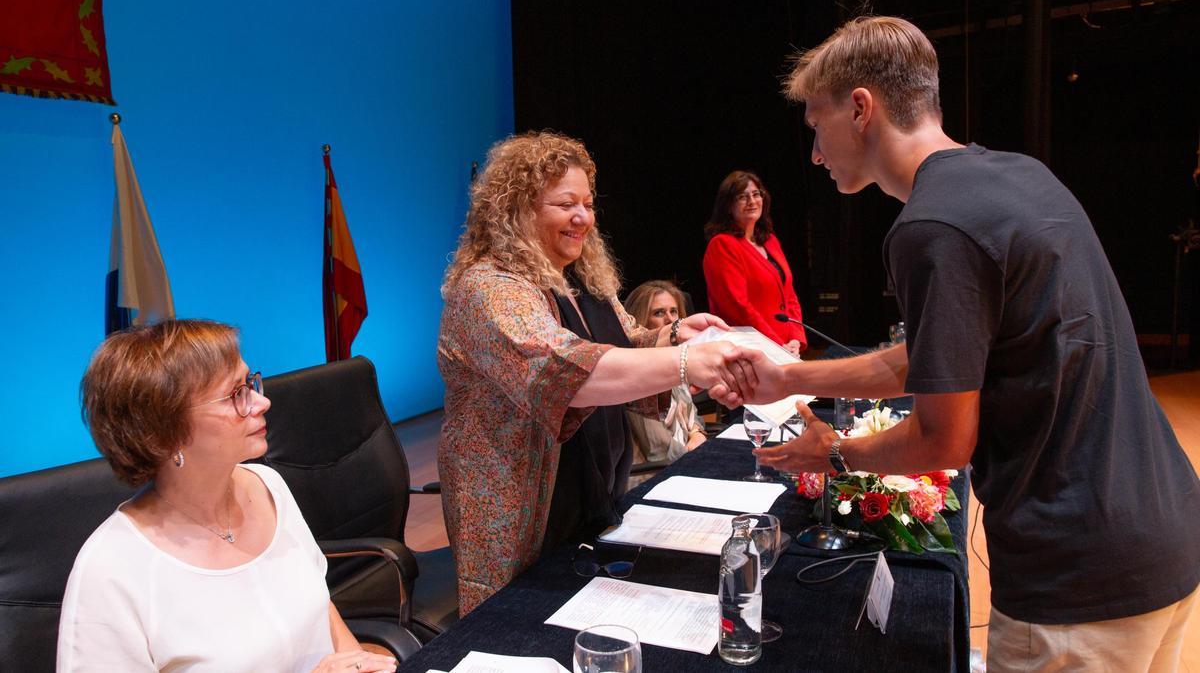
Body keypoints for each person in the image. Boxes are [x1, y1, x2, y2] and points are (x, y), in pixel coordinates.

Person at [712, 16, 1200, 672]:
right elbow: (941, 356)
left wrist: (833, 452)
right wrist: (795, 379)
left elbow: (944, 440)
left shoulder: (931, 226)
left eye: (815, 126)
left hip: (1077, 572)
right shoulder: (1017, 177)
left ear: (861, 107)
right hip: (1166, 531)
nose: (816, 154)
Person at [438, 131, 751, 614]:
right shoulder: (488, 288)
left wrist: (674, 337)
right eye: (565, 204)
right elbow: (567, 372)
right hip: (516, 506)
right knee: (512, 630)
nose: (583, 217)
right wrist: (689, 364)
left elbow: (626, 342)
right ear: (517, 209)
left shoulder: (580, 279)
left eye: (587, 202)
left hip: (589, 493)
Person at [59, 320, 396, 673]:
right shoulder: (110, 571)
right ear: (165, 431)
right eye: (236, 394)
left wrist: (361, 665)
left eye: (250, 383)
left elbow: (323, 612)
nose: (262, 401)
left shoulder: (269, 486)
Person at [702, 170, 807, 356]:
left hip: (785, 348)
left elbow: (789, 295)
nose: (752, 201)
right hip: (750, 348)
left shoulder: (770, 241)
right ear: (728, 206)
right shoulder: (722, 245)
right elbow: (737, 307)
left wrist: (795, 339)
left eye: (756, 194)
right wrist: (775, 344)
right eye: (742, 197)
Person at [622, 280, 707, 464]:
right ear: (640, 321)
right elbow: (659, 451)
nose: (670, 319)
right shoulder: (638, 376)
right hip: (653, 476)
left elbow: (694, 416)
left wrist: (696, 433)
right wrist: (702, 456)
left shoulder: (677, 361)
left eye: (674, 311)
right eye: (659, 313)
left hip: (684, 461)